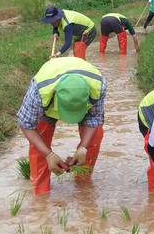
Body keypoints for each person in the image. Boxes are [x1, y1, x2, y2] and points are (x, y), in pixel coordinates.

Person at [16, 57, 106, 195]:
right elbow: (26, 123)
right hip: (48, 105)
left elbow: (95, 118)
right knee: (39, 142)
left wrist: (83, 149)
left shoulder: (98, 86)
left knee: (95, 137)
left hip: (83, 97)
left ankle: (82, 186)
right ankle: (41, 192)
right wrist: (49, 155)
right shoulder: (39, 91)